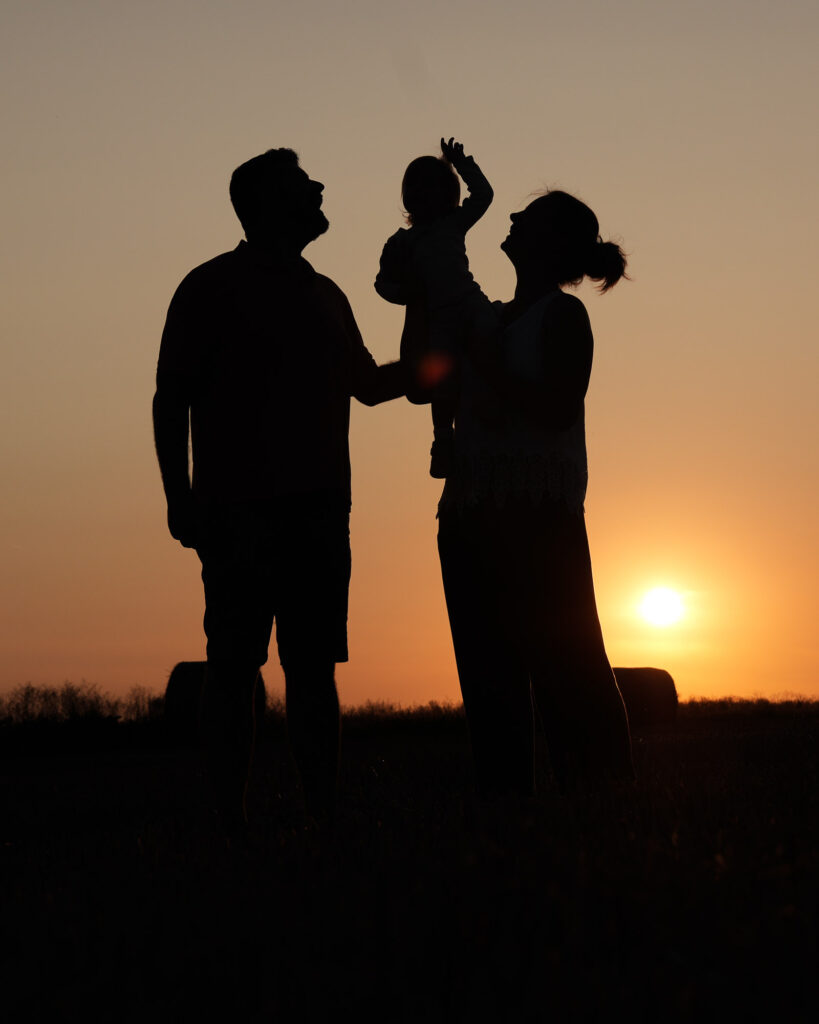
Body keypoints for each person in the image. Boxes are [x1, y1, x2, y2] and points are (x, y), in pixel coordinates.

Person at [153, 148, 404, 831]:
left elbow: (371, 384)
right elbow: (169, 398)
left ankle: (319, 818)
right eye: (302, 185)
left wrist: (444, 357)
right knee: (232, 666)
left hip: (320, 510)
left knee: (313, 669)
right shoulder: (209, 287)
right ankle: (227, 820)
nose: (319, 188)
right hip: (236, 511)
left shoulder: (326, 294)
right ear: (264, 202)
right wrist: (179, 495)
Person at [425, 188, 634, 797]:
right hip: (468, 515)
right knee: (487, 675)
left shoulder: (562, 315)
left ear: (554, 243)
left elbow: (558, 407)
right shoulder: (484, 316)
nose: (511, 217)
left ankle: (602, 799)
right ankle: (506, 808)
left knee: (568, 665)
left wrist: (484, 362)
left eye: (528, 216)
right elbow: (427, 378)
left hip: (537, 518)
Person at [375, 138, 493, 478]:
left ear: (447, 196)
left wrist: (462, 164)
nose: (421, 195)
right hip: (437, 319)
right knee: (442, 378)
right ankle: (443, 439)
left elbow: (484, 195)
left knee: (491, 343)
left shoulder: (453, 223)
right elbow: (383, 284)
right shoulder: (401, 243)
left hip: (470, 303)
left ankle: (492, 410)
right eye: (415, 188)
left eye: (431, 188)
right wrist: (409, 292)